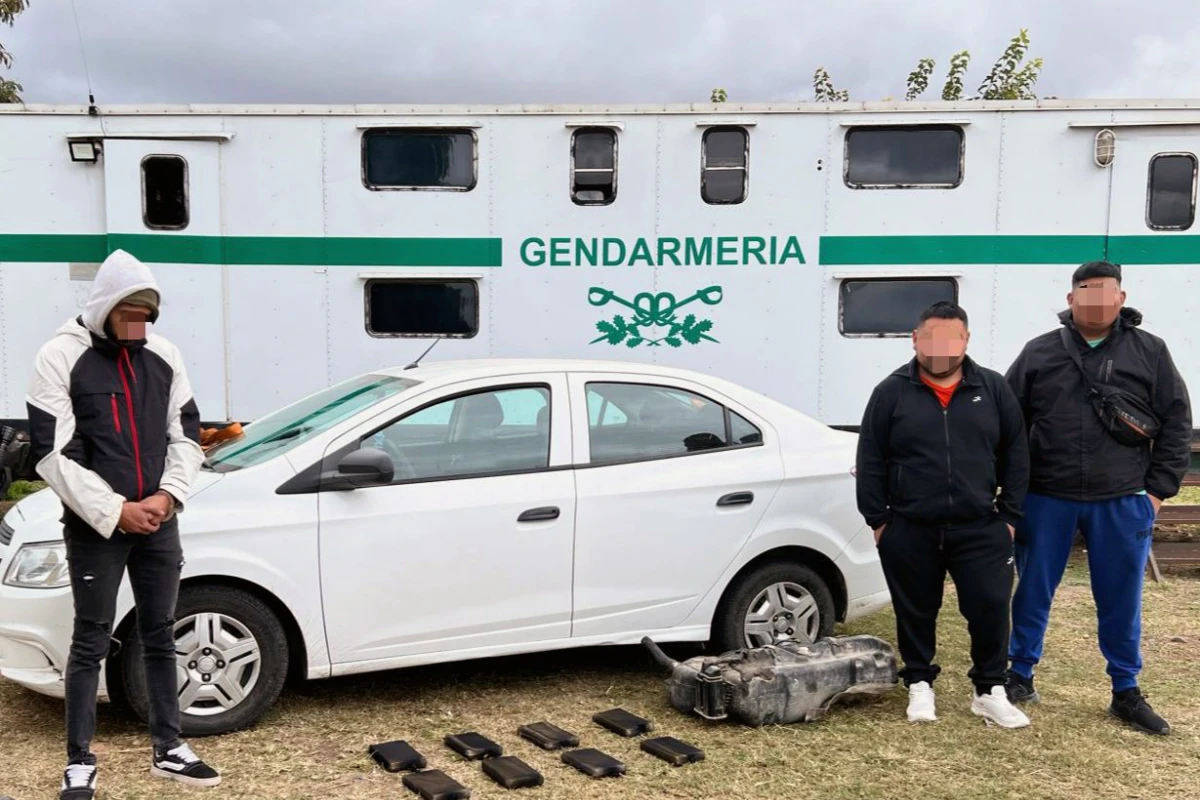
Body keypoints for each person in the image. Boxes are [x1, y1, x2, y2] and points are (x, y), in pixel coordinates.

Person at [25, 249, 221, 799]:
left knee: (161, 632)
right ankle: (79, 759)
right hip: (96, 529)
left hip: (159, 519)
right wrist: (116, 511)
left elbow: (184, 434)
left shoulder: (164, 354)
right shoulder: (60, 357)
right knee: (90, 639)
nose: (139, 324)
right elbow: (50, 452)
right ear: (105, 305)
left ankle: (170, 748)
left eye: (148, 314)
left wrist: (168, 496)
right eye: (129, 312)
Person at [1004, 261, 1191, 736]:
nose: (1097, 302)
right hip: (1048, 496)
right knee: (1031, 591)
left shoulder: (1150, 351)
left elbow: (1174, 421)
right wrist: (1012, 487)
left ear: (1121, 299)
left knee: (1121, 597)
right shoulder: (1039, 352)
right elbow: (1007, 424)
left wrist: (1157, 492)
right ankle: (1018, 675)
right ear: (1071, 300)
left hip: (1123, 497)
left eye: (1107, 294)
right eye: (1086, 293)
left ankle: (1125, 690)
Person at [856, 301, 1031, 728]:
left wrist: (1008, 515)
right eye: (930, 337)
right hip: (910, 527)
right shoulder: (890, 392)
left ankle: (990, 688)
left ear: (966, 340)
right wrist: (878, 520)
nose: (940, 347)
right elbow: (871, 458)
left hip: (981, 526)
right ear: (915, 339)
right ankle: (919, 682)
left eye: (951, 338)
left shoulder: (991, 388)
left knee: (990, 606)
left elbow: (1017, 453)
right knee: (915, 608)